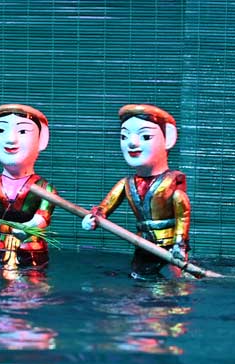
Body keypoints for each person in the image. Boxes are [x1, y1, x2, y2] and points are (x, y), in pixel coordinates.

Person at [81, 104, 190, 278]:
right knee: (140, 283)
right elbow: (103, 208)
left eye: (145, 136)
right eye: (124, 137)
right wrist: (94, 218)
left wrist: (180, 246)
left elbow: (182, 216)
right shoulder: (127, 184)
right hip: (142, 247)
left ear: (168, 138)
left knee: (169, 290)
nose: (132, 143)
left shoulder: (172, 183)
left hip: (169, 250)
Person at [0, 104, 56, 270]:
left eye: (22, 131)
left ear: (42, 140)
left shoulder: (43, 187)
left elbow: (42, 218)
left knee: (34, 288)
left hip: (32, 252)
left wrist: (23, 230)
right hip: (0, 250)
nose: (10, 139)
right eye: (1, 131)